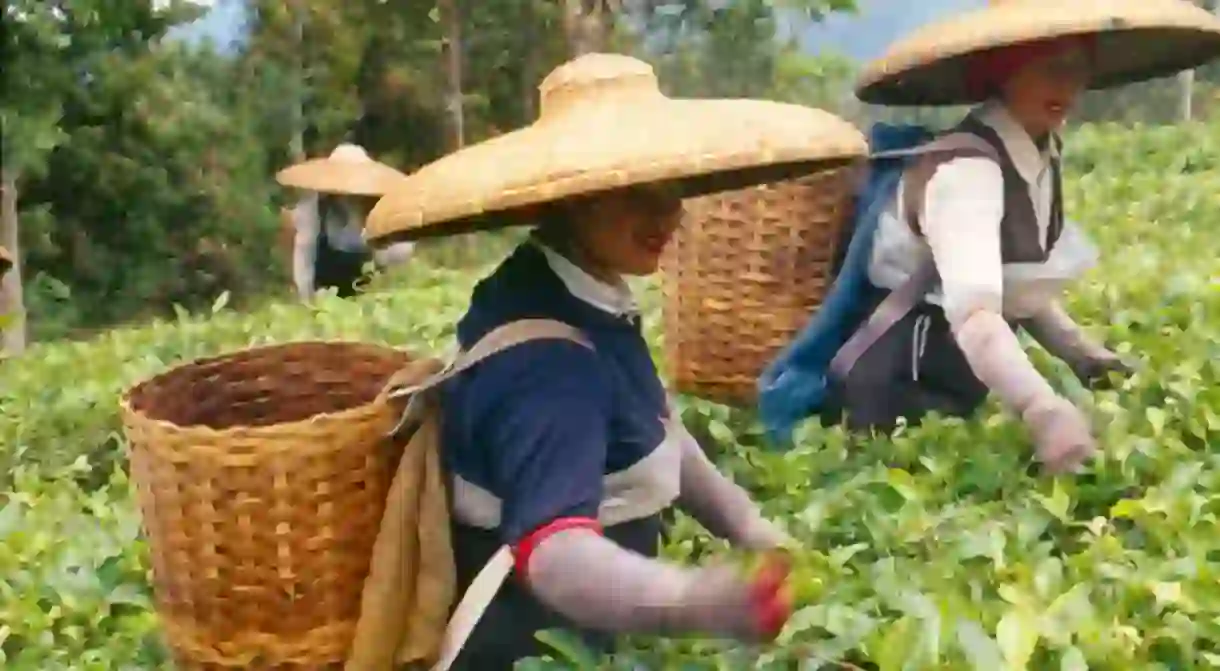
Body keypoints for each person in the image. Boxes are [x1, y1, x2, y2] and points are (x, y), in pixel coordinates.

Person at [361, 53, 868, 669]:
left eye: (671, 187)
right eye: (636, 192)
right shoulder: (547, 366)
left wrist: (752, 529)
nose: (668, 215)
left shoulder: (576, 290)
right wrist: (700, 601)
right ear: (575, 196)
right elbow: (556, 556)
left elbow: (660, 431)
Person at [817, 0, 1220, 473]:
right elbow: (976, 314)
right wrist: (1041, 410)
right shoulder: (967, 173)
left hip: (951, 365)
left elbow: (1012, 282)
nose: (1065, 86)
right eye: (1047, 68)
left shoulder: (1034, 152)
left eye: (1076, 67)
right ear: (1003, 72)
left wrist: (1085, 357)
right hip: (896, 379)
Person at [275, 143, 415, 300]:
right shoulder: (314, 207)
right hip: (327, 295)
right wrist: (306, 295)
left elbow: (400, 253)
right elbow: (305, 250)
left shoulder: (379, 204)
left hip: (372, 293)